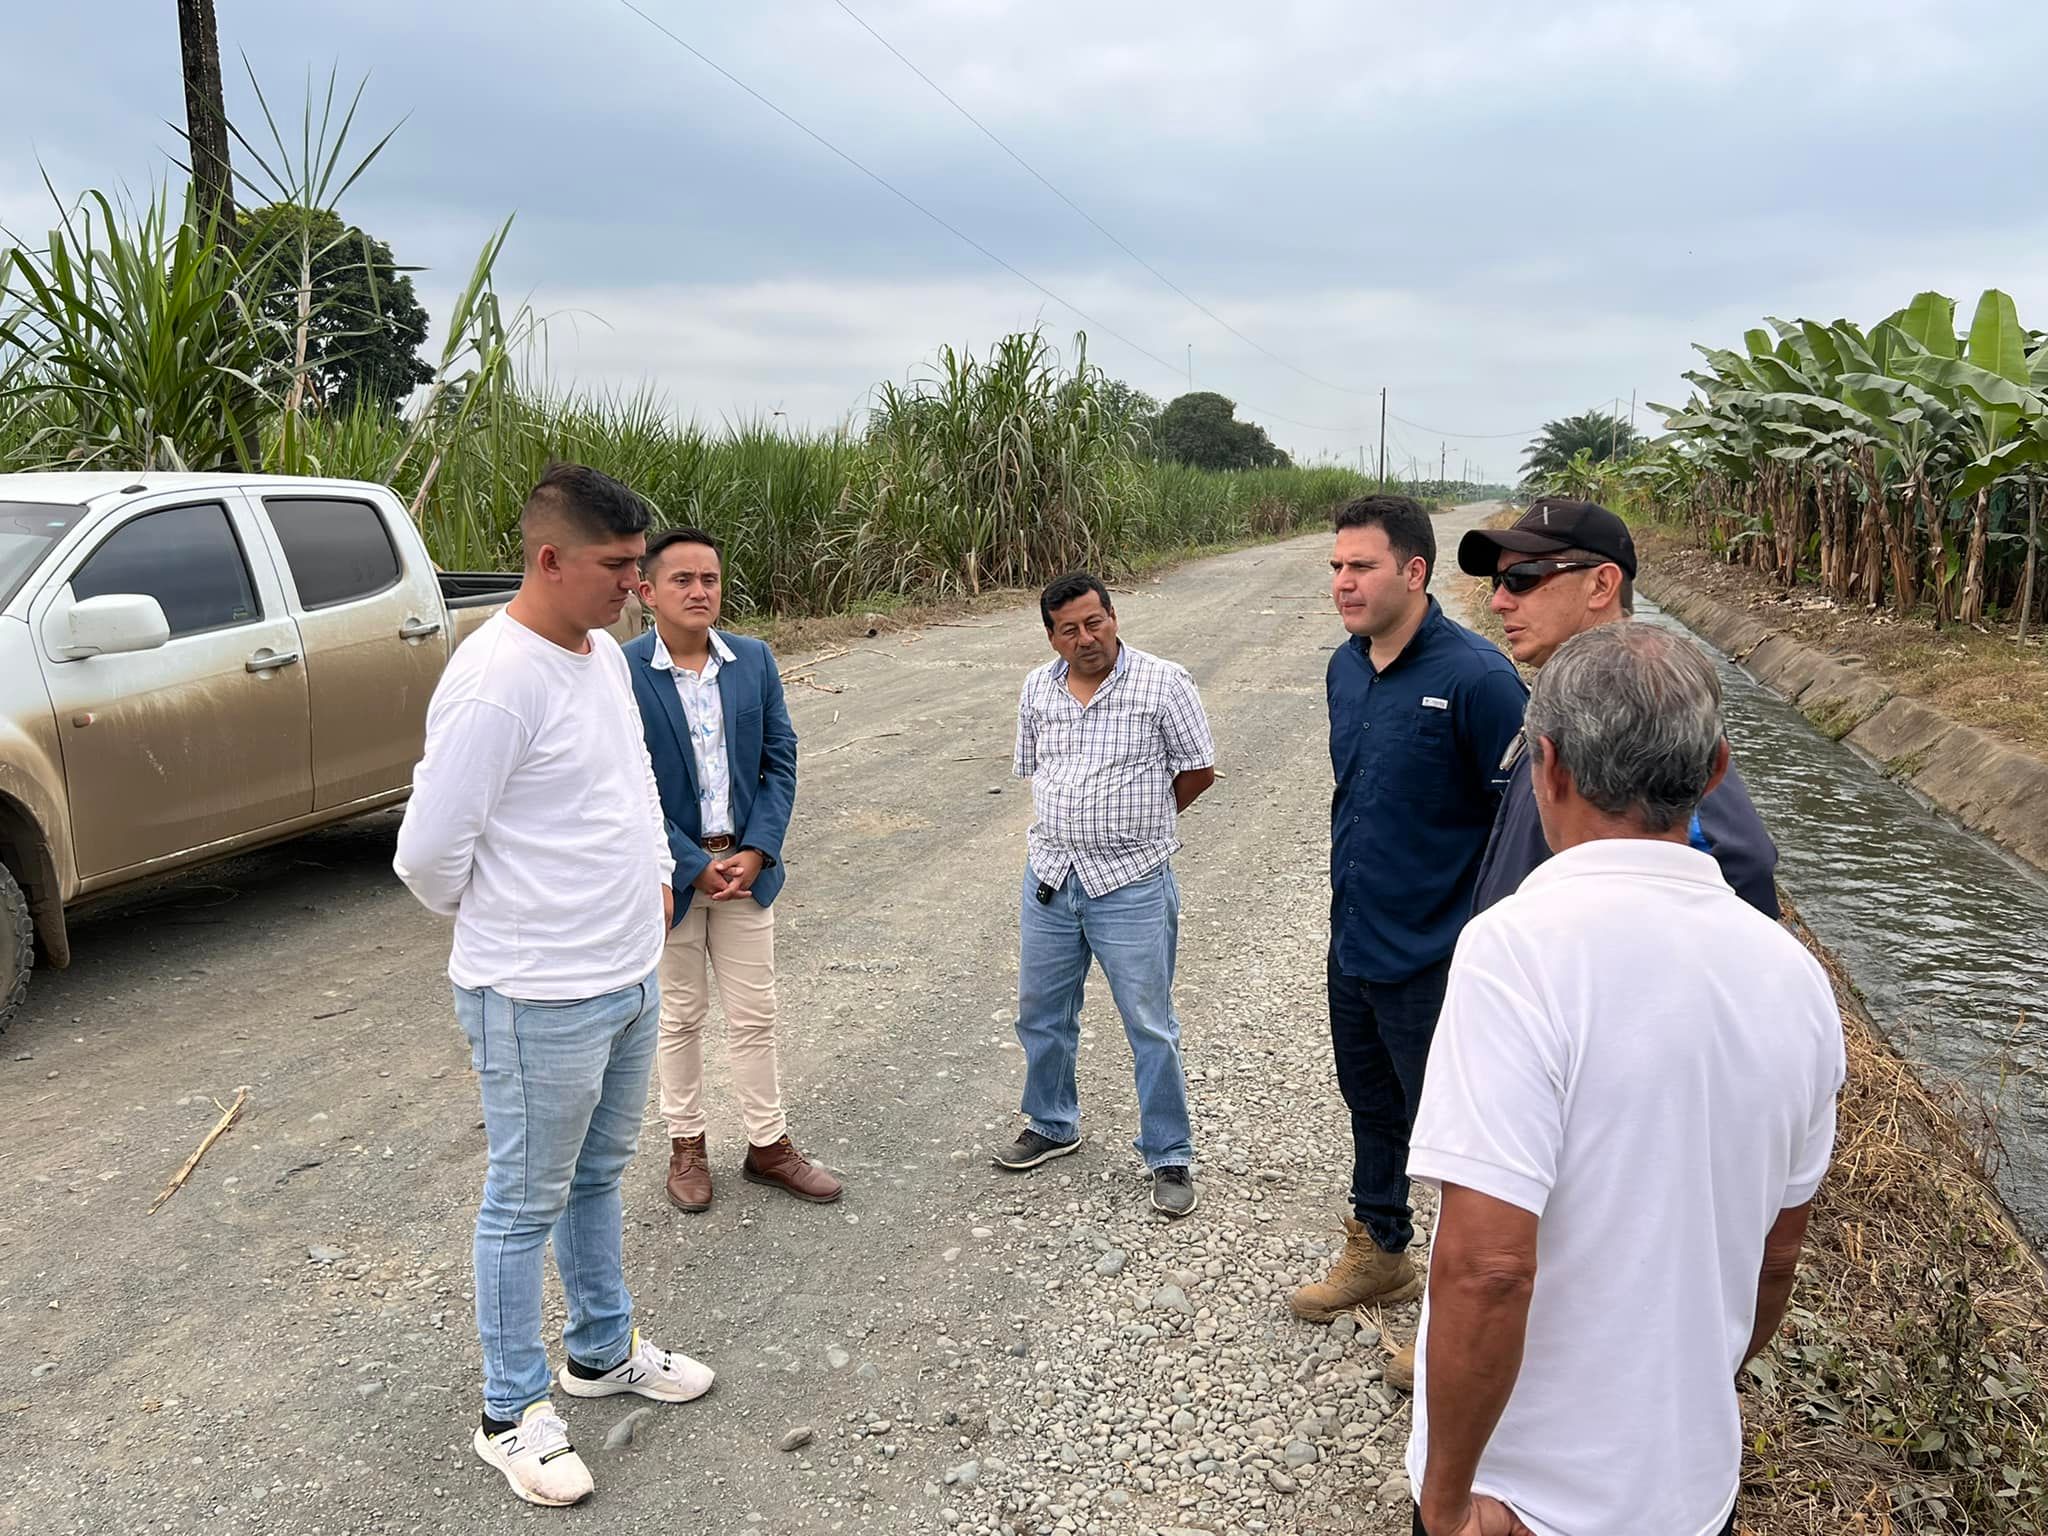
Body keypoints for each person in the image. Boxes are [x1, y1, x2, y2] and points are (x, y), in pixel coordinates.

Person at [1404, 621, 1843, 1536]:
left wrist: (1444, 1503)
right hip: (1692, 1492)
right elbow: (1777, 1258)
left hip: (1527, 1500)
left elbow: (1488, 1269)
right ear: (1715, 769)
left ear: (1548, 766)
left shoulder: (1515, 952)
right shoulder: (1795, 977)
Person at [394, 465, 714, 1509]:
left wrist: (653, 879)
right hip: (537, 994)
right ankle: (509, 1412)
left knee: (596, 1175)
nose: (636, 585)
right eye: (618, 566)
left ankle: (600, 1350)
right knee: (523, 1199)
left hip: (625, 975)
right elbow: (426, 856)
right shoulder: (497, 679)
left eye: (639, 565)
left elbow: (629, 785)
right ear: (548, 559)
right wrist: (515, 922)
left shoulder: (600, 658)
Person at [1290, 495, 1527, 1385]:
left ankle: (1460, 1316)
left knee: (1459, 1140)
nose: (1343, 583)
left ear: (1414, 571)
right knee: (1371, 1100)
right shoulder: (1346, 670)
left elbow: (1519, 827)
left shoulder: (1478, 680)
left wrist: (1485, 946)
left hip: (1440, 956)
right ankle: (1382, 1248)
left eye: (1362, 566)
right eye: (1336, 567)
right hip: (1356, 934)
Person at [623, 526, 840, 1211]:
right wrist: (690, 862)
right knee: (680, 1015)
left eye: (710, 579)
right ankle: (686, 1145)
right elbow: (623, 784)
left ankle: (767, 1145)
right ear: (647, 590)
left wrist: (758, 848)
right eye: (682, 580)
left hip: (746, 870)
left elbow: (781, 759)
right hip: (672, 878)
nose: (699, 591)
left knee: (755, 1014)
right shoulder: (622, 672)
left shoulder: (753, 660)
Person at [994, 572, 1216, 1218]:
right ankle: (1051, 1122)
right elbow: (1037, 769)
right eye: (1069, 629)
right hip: (1051, 877)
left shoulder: (1163, 683)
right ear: (1052, 638)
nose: (1086, 638)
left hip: (1132, 883)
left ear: (1114, 617)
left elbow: (1198, 771)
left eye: (1095, 622)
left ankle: (1169, 1154)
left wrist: (1142, 823)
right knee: (1041, 1012)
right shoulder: (1038, 688)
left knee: (1149, 1023)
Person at [1460, 497, 1780, 917]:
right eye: (1497, 582)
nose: (1498, 601)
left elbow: (1742, 865)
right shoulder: (1571, 698)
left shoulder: (1650, 707)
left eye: (1521, 578)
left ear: (1601, 585)